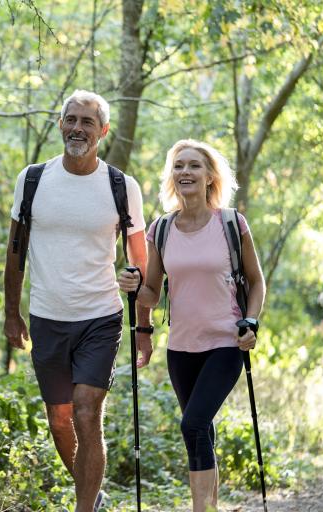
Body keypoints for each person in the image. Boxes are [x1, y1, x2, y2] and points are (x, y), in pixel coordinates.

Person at [3, 90, 154, 511]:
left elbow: (140, 259)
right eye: (71, 119)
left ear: (103, 131)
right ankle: (93, 491)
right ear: (60, 124)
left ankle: (83, 508)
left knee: (87, 412)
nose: (77, 128)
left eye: (88, 122)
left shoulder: (122, 186)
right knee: (60, 420)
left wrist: (141, 310)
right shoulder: (33, 180)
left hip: (100, 317)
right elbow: (15, 251)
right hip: (47, 317)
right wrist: (10, 312)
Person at [117, 139, 266, 512]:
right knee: (200, 430)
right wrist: (141, 320)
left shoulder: (231, 223)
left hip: (225, 343)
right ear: (172, 176)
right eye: (179, 166)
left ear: (210, 176)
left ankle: (200, 509)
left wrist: (251, 321)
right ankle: (210, 505)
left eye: (194, 165)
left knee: (193, 423)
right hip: (181, 349)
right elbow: (151, 293)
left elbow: (257, 280)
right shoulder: (161, 229)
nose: (185, 171)